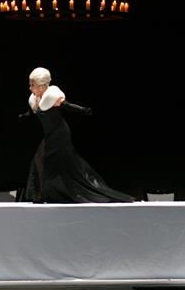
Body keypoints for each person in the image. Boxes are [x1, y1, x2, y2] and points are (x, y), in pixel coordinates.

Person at [23, 67, 134, 204]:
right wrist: (24, 116)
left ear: (41, 86)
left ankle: (49, 194)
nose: (30, 88)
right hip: (50, 135)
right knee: (42, 161)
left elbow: (66, 105)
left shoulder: (51, 96)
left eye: (32, 85)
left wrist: (83, 110)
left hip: (60, 134)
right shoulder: (35, 99)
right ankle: (45, 195)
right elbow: (35, 112)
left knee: (55, 163)